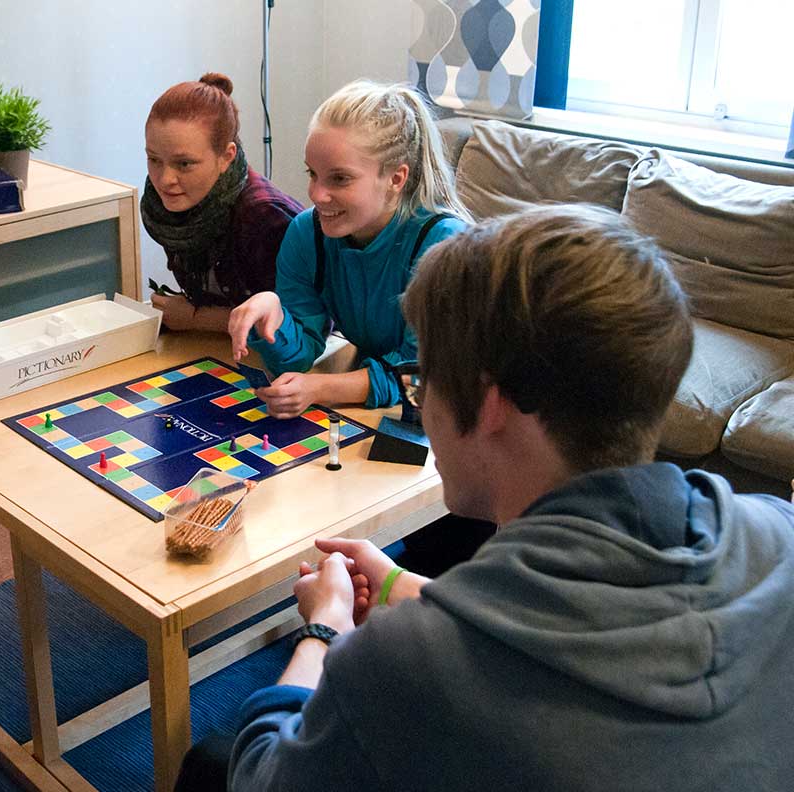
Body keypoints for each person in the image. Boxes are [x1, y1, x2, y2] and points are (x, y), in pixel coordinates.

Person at [185, 204, 794, 790]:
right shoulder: (777, 533)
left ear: (492, 404)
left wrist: (325, 630)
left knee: (214, 760)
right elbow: (575, 618)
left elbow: (262, 778)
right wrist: (403, 586)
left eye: (427, 382)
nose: (423, 403)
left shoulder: (403, 664)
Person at [228, 80, 472, 419]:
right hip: (381, 408)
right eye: (313, 174)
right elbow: (297, 359)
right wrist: (274, 315)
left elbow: (423, 379)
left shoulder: (443, 244)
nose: (316, 194)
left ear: (396, 179)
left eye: (340, 179)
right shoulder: (306, 233)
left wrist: (319, 388)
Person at [143, 72, 303, 333]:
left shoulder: (264, 217)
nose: (165, 179)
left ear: (226, 157)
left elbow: (306, 324)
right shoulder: (168, 207)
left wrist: (196, 318)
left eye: (184, 164)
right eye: (154, 159)